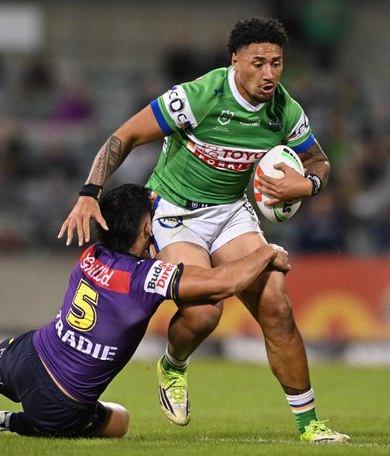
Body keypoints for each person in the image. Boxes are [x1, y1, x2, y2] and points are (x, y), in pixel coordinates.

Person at [59, 17, 349, 443]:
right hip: (174, 213)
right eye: (258, 63)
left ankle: (310, 425)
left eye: (277, 63)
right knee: (204, 311)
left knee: (276, 302)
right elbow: (125, 136)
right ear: (235, 61)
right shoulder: (198, 97)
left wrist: (306, 183)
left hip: (230, 212)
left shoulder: (285, 110)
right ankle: (173, 365)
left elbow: (319, 161)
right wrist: (89, 191)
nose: (269, 74)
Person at [0, 184, 291, 439]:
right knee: (121, 420)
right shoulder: (147, 277)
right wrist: (267, 252)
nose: (154, 237)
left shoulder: (92, 253)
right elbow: (224, 282)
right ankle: (6, 422)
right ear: (137, 232)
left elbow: (126, 222)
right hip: (64, 402)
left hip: (30, 356)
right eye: (149, 230)